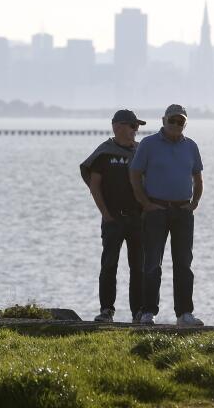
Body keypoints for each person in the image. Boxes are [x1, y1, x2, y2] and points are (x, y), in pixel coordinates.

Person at [129, 104, 204, 326]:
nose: (175, 125)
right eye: (172, 120)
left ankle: (184, 314)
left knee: (184, 264)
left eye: (180, 122)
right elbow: (135, 174)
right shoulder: (148, 144)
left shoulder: (191, 146)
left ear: (185, 124)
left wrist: (195, 203)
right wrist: (145, 203)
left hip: (183, 211)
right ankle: (148, 312)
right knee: (152, 263)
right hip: (156, 211)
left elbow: (198, 178)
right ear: (163, 120)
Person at [80, 110, 146, 323]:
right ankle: (106, 310)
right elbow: (95, 185)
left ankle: (139, 312)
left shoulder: (140, 151)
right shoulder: (105, 152)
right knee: (109, 265)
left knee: (139, 267)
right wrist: (106, 214)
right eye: (132, 126)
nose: (136, 131)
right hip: (113, 219)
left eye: (137, 127)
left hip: (137, 219)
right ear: (117, 127)